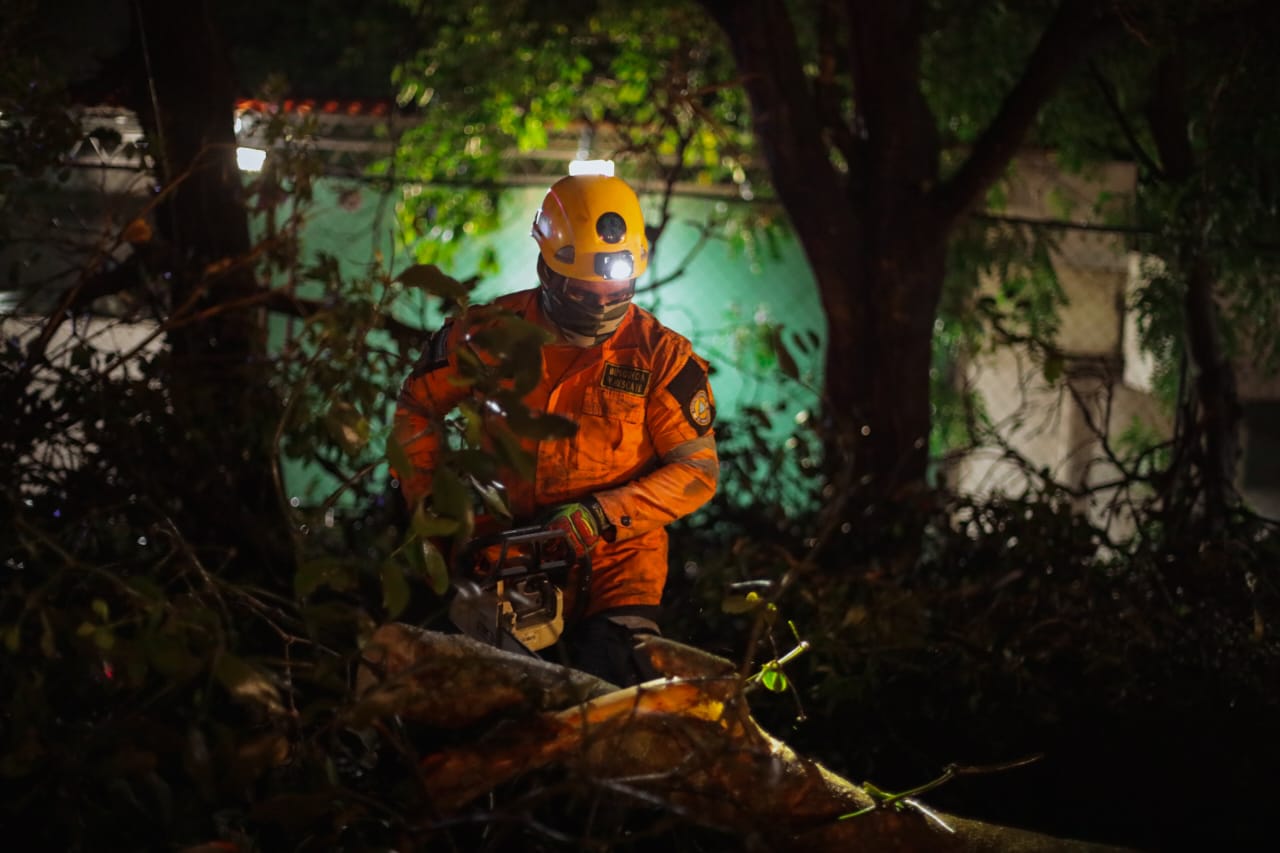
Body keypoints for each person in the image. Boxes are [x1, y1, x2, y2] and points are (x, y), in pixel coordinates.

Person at [391, 166, 719, 686]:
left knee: (606, 693)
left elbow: (697, 470)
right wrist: (431, 508)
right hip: (505, 555)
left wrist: (601, 515)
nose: (602, 304)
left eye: (616, 291)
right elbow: (417, 407)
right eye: (585, 294)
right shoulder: (489, 335)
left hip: (618, 568)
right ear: (547, 268)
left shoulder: (661, 358)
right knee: (476, 692)